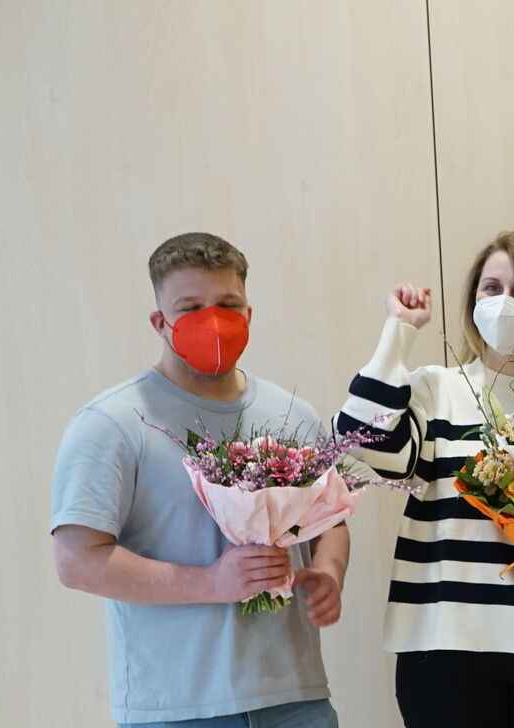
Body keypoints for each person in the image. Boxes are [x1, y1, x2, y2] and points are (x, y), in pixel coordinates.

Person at [52, 232, 346, 727]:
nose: (213, 321)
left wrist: (331, 572)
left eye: (228, 304)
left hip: (297, 699)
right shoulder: (112, 423)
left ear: (249, 314)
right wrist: (211, 582)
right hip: (177, 709)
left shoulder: (292, 415)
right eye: (190, 307)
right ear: (159, 322)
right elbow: (78, 562)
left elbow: (331, 519)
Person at [336, 231, 514, 727]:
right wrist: (398, 331)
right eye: (492, 287)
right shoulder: (435, 389)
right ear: (472, 299)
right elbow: (357, 439)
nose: (506, 303)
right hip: (443, 642)